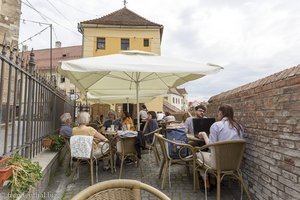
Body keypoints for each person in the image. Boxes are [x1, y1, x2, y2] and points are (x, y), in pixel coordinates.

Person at [197, 104, 244, 191]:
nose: (217, 115)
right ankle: (213, 180)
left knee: (197, 154)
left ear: (221, 113)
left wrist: (203, 134)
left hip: (217, 164)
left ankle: (206, 182)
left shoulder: (216, 125)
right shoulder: (239, 126)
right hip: (235, 164)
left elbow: (211, 147)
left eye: (218, 113)